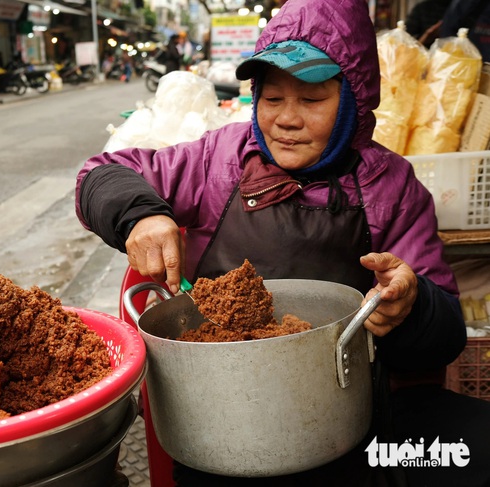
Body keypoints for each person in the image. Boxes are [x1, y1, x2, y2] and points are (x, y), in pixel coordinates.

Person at [75, 0, 490, 485]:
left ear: (353, 98)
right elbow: (102, 173)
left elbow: (444, 340)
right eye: (271, 99)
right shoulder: (220, 158)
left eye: (311, 100)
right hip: (220, 412)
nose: (286, 120)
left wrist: (411, 306)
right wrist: (139, 215)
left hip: (344, 406)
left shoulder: (392, 186)